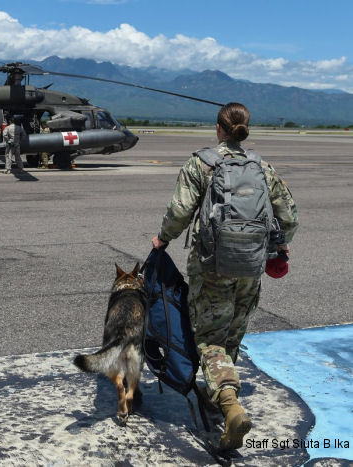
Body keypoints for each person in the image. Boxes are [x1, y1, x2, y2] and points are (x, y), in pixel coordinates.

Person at [151, 102, 298, 450]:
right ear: (245, 129)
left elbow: (180, 211)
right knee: (233, 330)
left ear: (218, 128)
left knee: (211, 339)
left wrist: (163, 238)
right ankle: (221, 389)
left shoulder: (201, 163)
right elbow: (289, 217)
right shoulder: (262, 166)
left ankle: (230, 405)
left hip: (211, 265)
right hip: (251, 266)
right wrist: (277, 244)